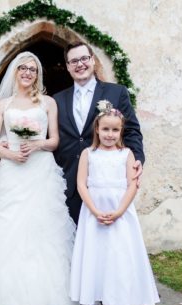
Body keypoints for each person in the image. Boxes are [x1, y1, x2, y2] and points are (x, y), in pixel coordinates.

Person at [0, 52, 77, 305]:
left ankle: (47, 293)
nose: (28, 72)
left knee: (43, 227)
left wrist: (37, 144)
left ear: (38, 74)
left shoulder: (47, 103)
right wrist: (10, 154)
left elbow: (55, 140)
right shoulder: (3, 105)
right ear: (15, 72)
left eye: (33, 69)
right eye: (23, 68)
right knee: (6, 225)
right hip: (13, 172)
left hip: (40, 171)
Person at [70, 102, 159, 305]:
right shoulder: (88, 153)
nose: (110, 134)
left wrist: (119, 211)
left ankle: (121, 301)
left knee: (119, 255)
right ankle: (93, 301)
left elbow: (132, 185)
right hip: (94, 211)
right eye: (106, 129)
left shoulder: (126, 154)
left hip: (120, 212)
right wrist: (94, 210)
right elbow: (81, 184)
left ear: (121, 131)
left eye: (115, 130)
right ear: (97, 130)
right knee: (94, 254)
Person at [53, 41, 144, 224]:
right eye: (74, 61)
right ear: (68, 67)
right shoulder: (57, 99)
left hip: (107, 180)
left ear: (93, 60)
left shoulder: (116, 92)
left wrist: (137, 159)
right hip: (68, 177)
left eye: (84, 58)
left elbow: (132, 130)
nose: (80, 64)